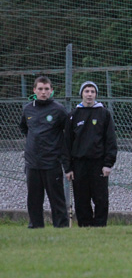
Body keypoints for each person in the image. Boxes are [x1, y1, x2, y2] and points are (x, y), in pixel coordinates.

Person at [64, 81, 117, 227]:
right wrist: (68, 168)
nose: (89, 94)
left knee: (100, 198)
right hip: (79, 164)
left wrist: (108, 164)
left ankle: (100, 226)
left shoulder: (104, 114)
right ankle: (85, 226)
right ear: (81, 93)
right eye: (86, 91)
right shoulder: (73, 115)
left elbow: (110, 141)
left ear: (96, 94)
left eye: (92, 91)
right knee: (81, 198)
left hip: (98, 163)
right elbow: (67, 143)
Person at [19, 76, 69, 228]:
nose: (43, 92)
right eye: (40, 89)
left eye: (47, 89)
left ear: (51, 91)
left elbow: (67, 133)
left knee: (57, 199)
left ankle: (61, 227)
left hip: (52, 163)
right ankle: (35, 226)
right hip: (33, 163)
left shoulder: (59, 110)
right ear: (34, 90)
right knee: (34, 199)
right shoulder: (27, 109)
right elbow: (24, 128)